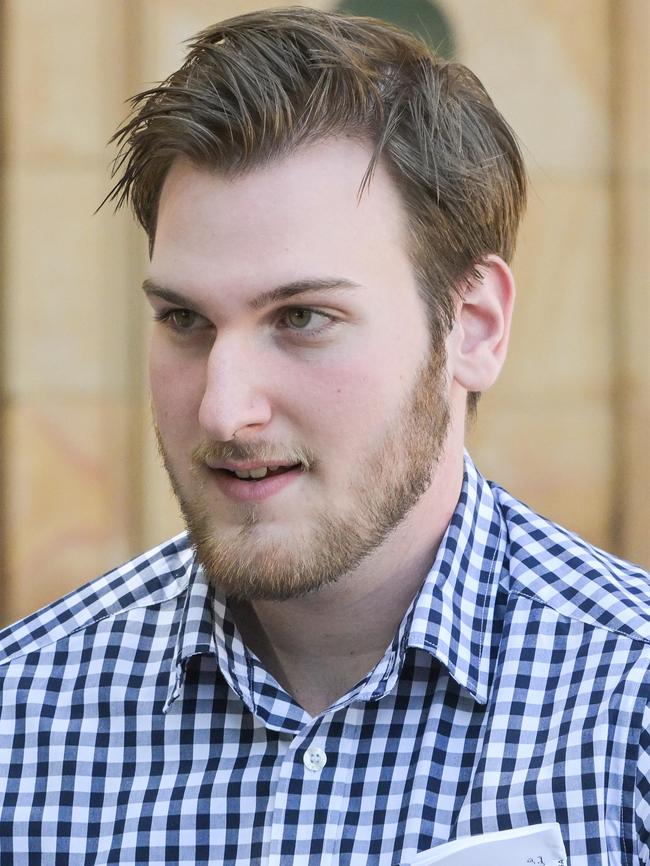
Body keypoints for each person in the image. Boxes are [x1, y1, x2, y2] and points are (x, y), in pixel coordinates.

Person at [0, 7, 647, 865]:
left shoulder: (628, 712)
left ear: (474, 328)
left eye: (303, 317)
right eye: (186, 320)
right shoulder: (24, 717)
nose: (225, 413)